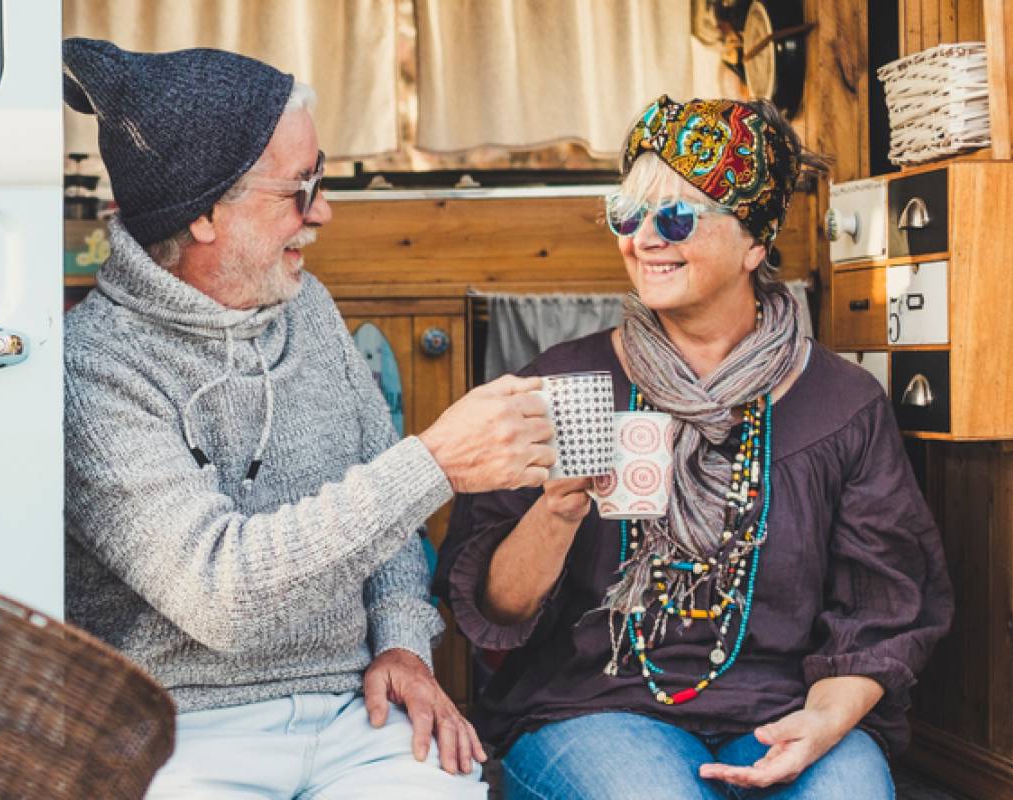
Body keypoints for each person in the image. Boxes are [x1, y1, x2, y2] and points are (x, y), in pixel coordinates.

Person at [61, 38, 555, 798]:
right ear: (202, 214)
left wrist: (401, 642)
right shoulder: (92, 365)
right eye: (301, 186)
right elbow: (220, 598)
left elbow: (385, 520)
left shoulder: (307, 308)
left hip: (352, 708)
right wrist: (432, 465)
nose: (322, 211)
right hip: (175, 731)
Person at [436, 95, 954, 799]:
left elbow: (883, 612)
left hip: (786, 707)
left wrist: (827, 719)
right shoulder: (559, 385)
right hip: (593, 708)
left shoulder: (842, 405)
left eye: (676, 216)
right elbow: (495, 613)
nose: (644, 237)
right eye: (629, 214)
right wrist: (558, 509)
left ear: (755, 242)